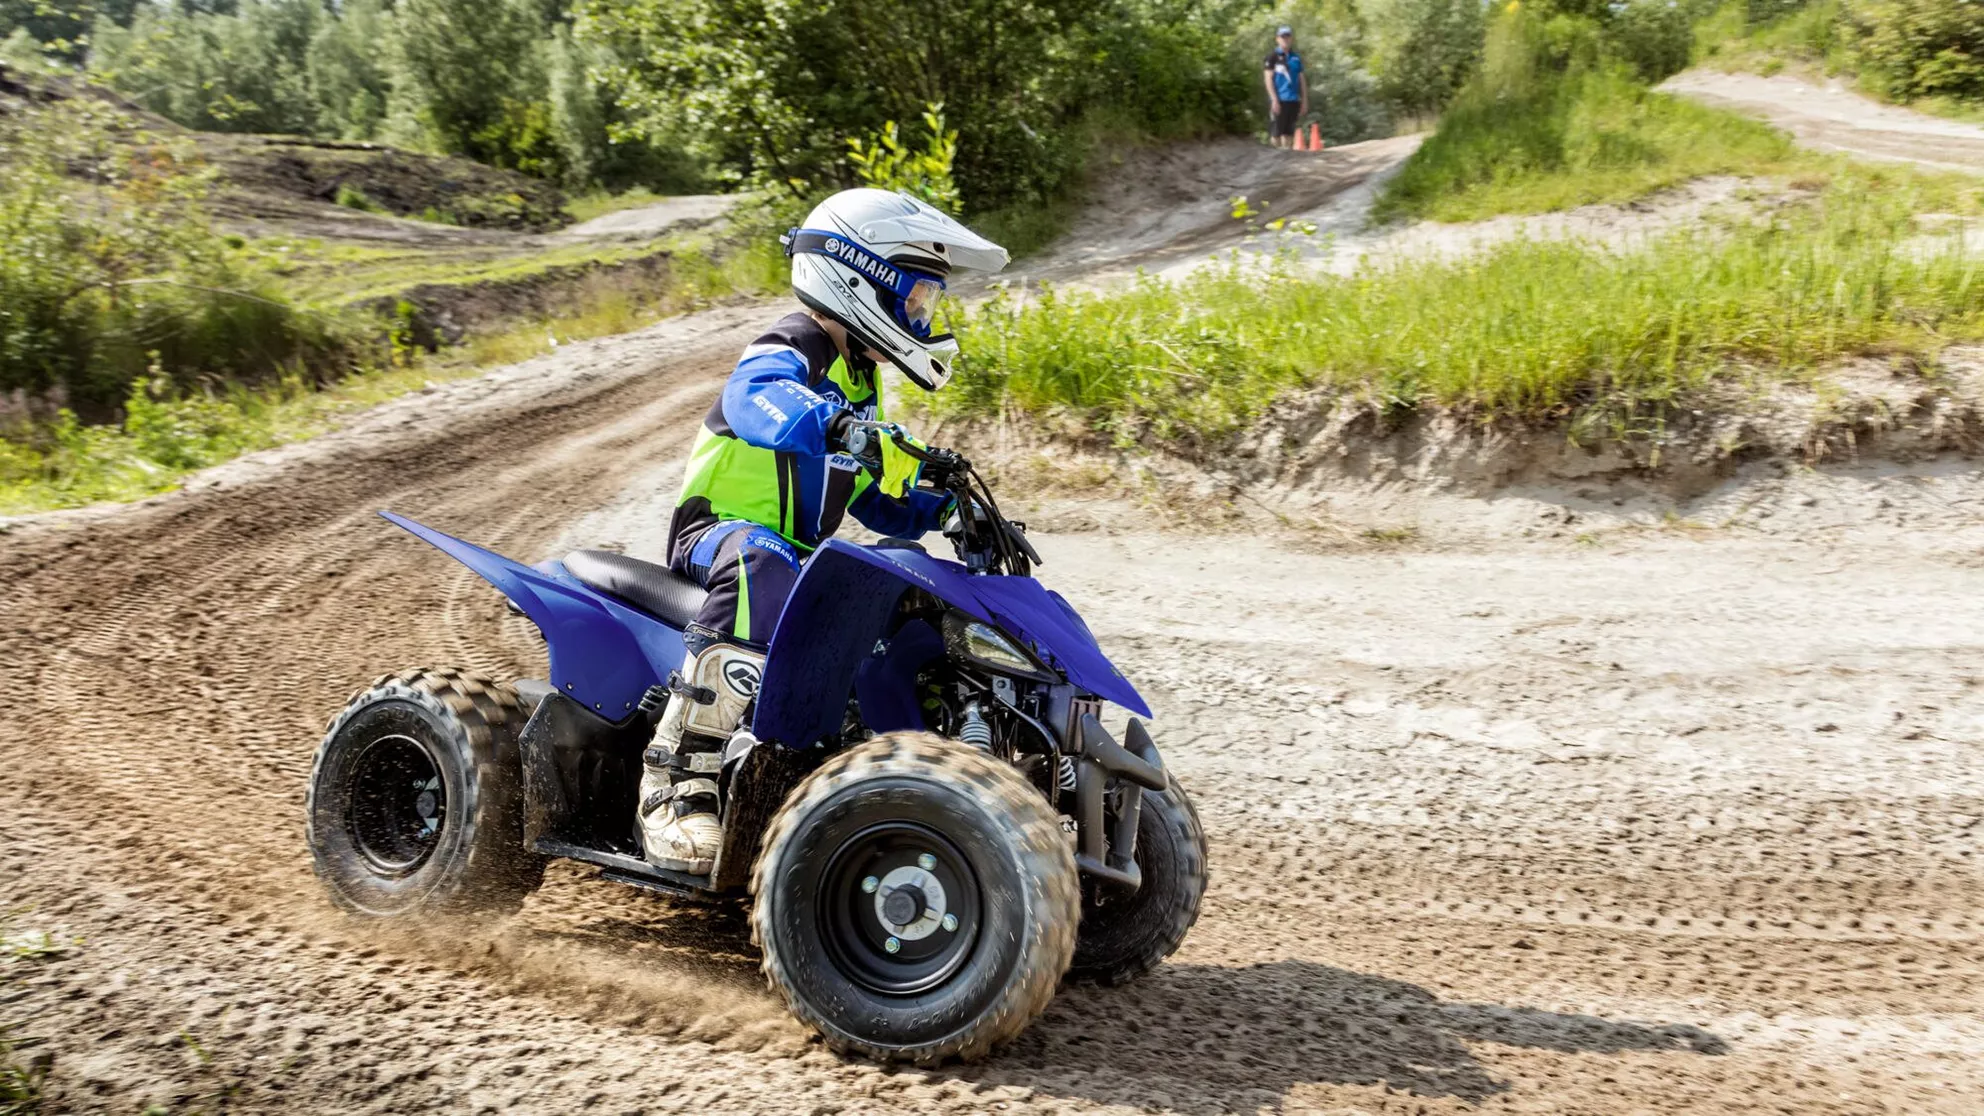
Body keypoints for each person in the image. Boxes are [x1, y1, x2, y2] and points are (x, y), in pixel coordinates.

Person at [636, 187, 1011, 873]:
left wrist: (945, 513)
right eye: (919, 297)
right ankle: (674, 786)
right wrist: (831, 421)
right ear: (859, 275)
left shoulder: (859, 382)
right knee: (765, 564)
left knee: (898, 571)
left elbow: (871, 498)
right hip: (720, 535)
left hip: (802, 556)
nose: (924, 314)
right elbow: (754, 396)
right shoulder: (795, 343)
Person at [1263, 25, 1307, 149]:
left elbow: (1302, 80)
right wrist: (1274, 99)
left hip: (1293, 99)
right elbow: (1268, 79)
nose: (1285, 39)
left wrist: (1304, 101)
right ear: (1277, 39)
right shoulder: (1272, 57)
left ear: (1291, 38)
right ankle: (1275, 157)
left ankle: (1287, 159)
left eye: (1288, 36)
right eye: (1283, 37)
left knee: (1289, 132)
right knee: (1276, 132)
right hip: (1279, 99)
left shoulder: (1296, 58)